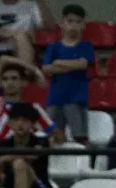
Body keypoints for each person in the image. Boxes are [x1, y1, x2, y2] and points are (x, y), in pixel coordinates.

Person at [0, 57, 56, 147]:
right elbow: (2, 60)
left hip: (5, 153)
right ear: (1, 83)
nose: (9, 83)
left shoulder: (32, 108)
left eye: (14, 78)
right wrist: (34, 70)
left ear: (23, 82)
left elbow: (55, 133)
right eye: (5, 79)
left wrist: (37, 133)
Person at [38, 2, 91, 141]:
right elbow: (46, 68)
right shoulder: (53, 47)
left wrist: (58, 62)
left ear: (83, 25)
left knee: (80, 137)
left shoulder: (86, 46)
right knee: (53, 137)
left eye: (78, 22)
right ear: (62, 24)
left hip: (76, 99)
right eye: (70, 21)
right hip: (55, 99)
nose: (73, 25)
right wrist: (71, 66)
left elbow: (82, 64)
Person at [0, 0, 52, 82]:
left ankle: (24, 81)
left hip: (23, 51)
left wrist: (41, 3)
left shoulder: (31, 6)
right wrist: (15, 34)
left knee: (21, 39)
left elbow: (48, 27)